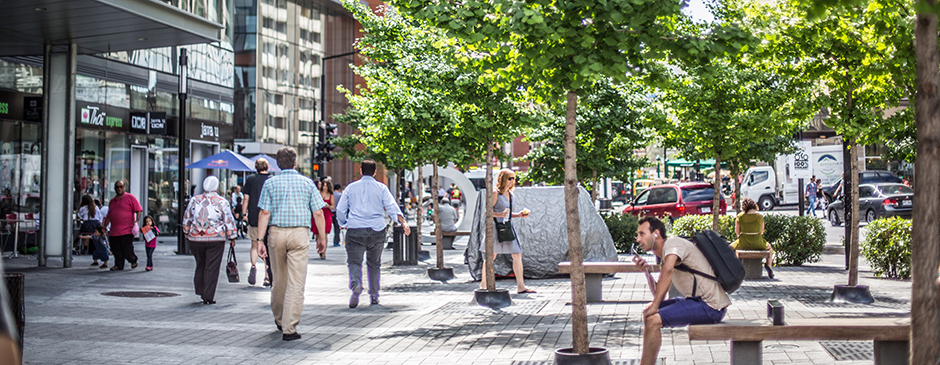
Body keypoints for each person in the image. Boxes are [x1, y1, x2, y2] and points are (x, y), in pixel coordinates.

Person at [634, 216, 730, 365]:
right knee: (649, 313)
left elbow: (668, 271)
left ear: (656, 234)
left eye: (642, 234)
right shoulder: (668, 255)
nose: (638, 239)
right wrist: (646, 271)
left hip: (711, 306)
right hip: (698, 302)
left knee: (653, 319)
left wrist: (655, 305)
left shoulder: (673, 244)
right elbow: (660, 294)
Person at [256, 147, 327, 341]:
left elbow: (264, 213)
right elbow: (318, 212)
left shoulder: (270, 183)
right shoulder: (307, 183)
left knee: (278, 279)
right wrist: (322, 237)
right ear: (295, 163)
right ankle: (290, 327)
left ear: (278, 164)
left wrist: (259, 240)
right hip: (299, 234)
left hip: (276, 233)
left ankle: (279, 319)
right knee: (296, 282)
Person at [337, 159, 410, 308]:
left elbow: (340, 209)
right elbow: (391, 206)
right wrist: (402, 221)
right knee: (374, 264)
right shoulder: (381, 188)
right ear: (375, 171)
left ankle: (356, 285)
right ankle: (374, 296)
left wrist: (343, 224)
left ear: (361, 170)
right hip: (377, 230)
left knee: (354, 262)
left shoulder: (351, 188)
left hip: (355, 229)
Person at [182, 176, 238, 305]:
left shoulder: (194, 200)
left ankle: (200, 289)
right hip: (215, 238)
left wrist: (186, 231)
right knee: (212, 266)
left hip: (195, 238)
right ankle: (208, 295)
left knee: (200, 263)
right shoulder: (222, 202)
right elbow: (228, 220)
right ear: (216, 187)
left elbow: (187, 218)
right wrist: (232, 237)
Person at [478, 169, 535, 294]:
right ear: (503, 179)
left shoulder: (511, 194)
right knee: (491, 256)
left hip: (508, 227)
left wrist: (518, 215)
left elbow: (507, 214)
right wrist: (499, 213)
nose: (512, 181)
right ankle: (483, 284)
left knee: (517, 254)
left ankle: (521, 286)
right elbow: (487, 212)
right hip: (495, 227)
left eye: (513, 178)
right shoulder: (495, 193)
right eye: (510, 178)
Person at [243, 158, 274, 286]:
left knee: (255, 245)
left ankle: (254, 266)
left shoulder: (250, 179)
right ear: (267, 166)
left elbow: (246, 198)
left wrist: (244, 214)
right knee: (268, 247)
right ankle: (267, 275)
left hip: (254, 216)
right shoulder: (272, 179)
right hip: (269, 217)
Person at [101, 180, 142, 271]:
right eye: (117, 187)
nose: (119, 188)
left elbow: (138, 209)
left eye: (121, 186)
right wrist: (104, 227)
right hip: (114, 231)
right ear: (114, 188)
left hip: (127, 230)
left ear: (124, 187)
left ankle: (133, 260)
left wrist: (137, 221)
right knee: (116, 249)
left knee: (127, 248)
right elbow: (109, 215)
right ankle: (118, 265)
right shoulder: (112, 201)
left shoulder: (130, 198)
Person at [730, 198, 774, 278]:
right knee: (769, 248)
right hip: (758, 242)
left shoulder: (740, 216)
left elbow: (737, 232)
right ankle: (769, 265)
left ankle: (732, 268)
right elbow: (761, 232)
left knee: (729, 247)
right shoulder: (760, 217)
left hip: (743, 242)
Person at [312, 177, 334, 260]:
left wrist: (328, 206)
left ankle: (323, 252)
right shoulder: (318, 193)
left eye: (326, 186)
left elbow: (333, 206)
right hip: (318, 214)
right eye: (323, 186)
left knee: (324, 234)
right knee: (318, 235)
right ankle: (320, 249)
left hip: (327, 215)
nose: (325, 187)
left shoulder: (331, 195)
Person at [78, 194, 103, 260]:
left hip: (87, 224)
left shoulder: (83, 208)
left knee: (84, 232)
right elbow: (100, 217)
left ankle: (85, 247)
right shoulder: (96, 207)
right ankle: (94, 247)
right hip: (95, 224)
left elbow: (79, 216)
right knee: (94, 233)